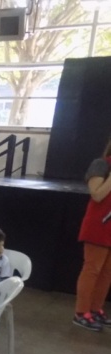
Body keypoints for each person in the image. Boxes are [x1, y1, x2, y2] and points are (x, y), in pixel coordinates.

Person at [74, 140, 111, 331]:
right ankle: (81, 312)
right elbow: (96, 195)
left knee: (107, 272)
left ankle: (96, 309)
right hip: (99, 226)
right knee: (92, 270)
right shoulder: (101, 164)